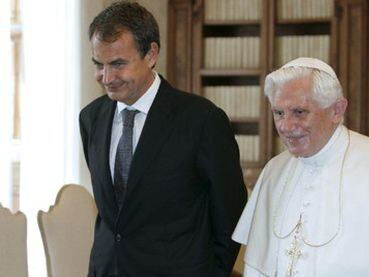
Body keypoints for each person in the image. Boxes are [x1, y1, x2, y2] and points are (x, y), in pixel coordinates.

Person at [79, 2, 247, 276]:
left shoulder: (202, 120)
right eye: (99, 64)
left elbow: (230, 213)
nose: (107, 78)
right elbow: (113, 214)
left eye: (118, 64)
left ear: (151, 54)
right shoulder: (90, 118)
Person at [232, 57, 369, 277]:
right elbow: (257, 267)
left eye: (299, 112)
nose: (286, 126)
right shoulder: (274, 171)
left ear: (337, 110)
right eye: (279, 113)